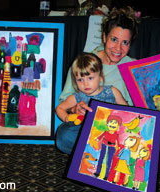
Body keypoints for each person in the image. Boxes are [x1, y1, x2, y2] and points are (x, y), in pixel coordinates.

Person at [56, 6, 140, 154]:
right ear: (104, 37)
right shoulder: (84, 63)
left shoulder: (134, 67)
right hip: (87, 126)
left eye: (125, 42)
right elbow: (64, 104)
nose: (118, 48)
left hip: (119, 127)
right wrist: (75, 109)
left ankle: (101, 151)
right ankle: (109, 151)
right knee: (64, 136)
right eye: (114, 39)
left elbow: (135, 110)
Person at [56, 52, 127, 123]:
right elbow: (60, 108)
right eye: (80, 80)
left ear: (101, 77)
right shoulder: (76, 97)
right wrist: (66, 117)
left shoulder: (112, 91)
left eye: (90, 78)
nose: (85, 84)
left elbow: (128, 110)